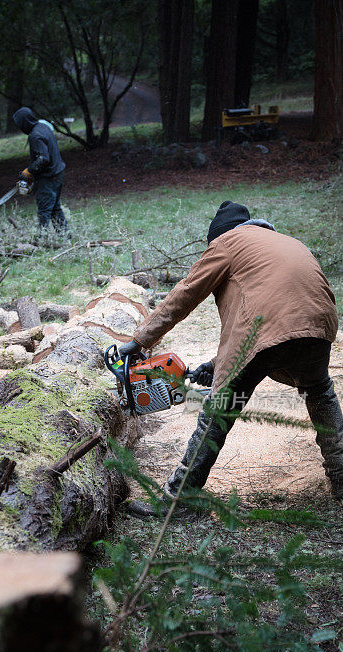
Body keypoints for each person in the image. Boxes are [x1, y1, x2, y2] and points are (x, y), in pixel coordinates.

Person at [119, 200, 343, 514]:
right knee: (320, 393)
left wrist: (140, 340)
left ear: (219, 235)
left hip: (267, 330)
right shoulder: (288, 243)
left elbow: (187, 292)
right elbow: (271, 312)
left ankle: (180, 501)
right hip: (320, 324)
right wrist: (215, 364)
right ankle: (341, 479)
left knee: (218, 411)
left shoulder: (227, 242)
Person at [12, 106, 69, 235]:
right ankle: (64, 235)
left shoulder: (35, 136)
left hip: (50, 176)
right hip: (58, 172)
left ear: (24, 123)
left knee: (44, 210)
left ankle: (41, 239)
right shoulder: (43, 127)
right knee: (54, 207)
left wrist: (29, 171)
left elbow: (43, 159)